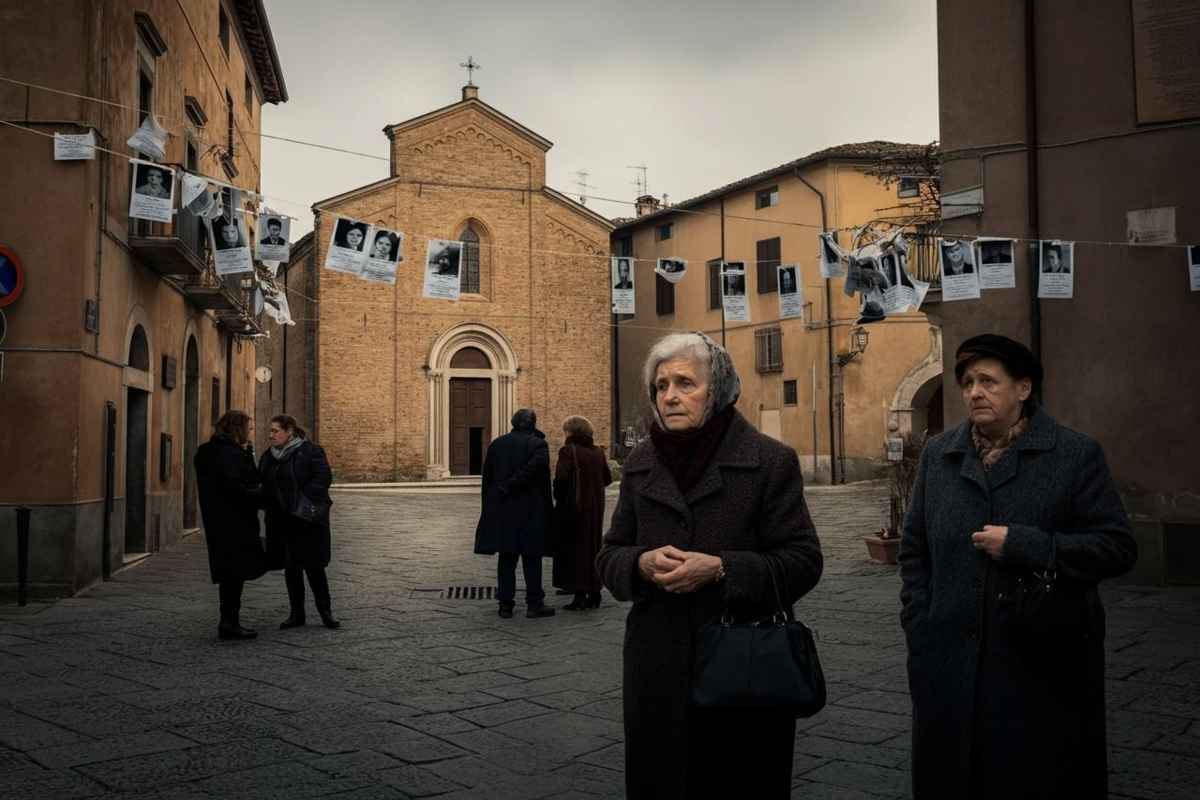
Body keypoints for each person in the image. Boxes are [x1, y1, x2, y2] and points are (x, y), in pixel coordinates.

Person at [900, 334, 1136, 800]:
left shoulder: (1074, 455)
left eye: (988, 381)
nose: (974, 392)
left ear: (1023, 389)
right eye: (968, 383)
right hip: (949, 663)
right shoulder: (939, 456)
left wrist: (1028, 545)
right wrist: (920, 624)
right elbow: (914, 550)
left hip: (1044, 667)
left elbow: (1117, 548)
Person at [596, 332, 824, 799]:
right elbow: (609, 554)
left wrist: (722, 569)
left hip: (745, 668)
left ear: (716, 390)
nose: (670, 396)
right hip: (657, 668)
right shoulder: (640, 463)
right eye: (661, 386)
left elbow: (804, 560)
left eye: (685, 383)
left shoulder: (770, 461)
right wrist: (639, 562)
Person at [259, 414, 340, 630]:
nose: (271, 435)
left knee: (314, 567)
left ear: (289, 432)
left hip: (308, 518)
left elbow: (322, 479)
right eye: (270, 431)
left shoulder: (311, 451)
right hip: (282, 521)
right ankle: (296, 614)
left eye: (275, 431)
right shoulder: (269, 457)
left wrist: (301, 504)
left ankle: (325, 612)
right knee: (291, 567)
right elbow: (264, 483)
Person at [474, 408, 556, 619]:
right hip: (531, 511)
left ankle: (505, 605)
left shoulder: (497, 444)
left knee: (507, 558)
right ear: (533, 424)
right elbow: (537, 473)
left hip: (504, 510)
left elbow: (487, 479)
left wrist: (490, 506)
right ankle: (534, 604)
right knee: (532, 558)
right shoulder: (538, 445)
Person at [193, 410, 266, 641]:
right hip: (236, 521)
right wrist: (259, 495)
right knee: (235, 574)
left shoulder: (205, 452)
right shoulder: (232, 454)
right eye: (248, 428)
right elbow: (241, 486)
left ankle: (229, 621)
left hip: (216, 521)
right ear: (238, 429)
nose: (249, 433)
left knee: (229, 573)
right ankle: (229, 623)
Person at [551, 415, 612, 610]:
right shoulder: (598, 452)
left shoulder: (569, 451)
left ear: (571, 432)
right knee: (592, 548)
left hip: (574, 508)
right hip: (595, 508)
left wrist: (560, 498)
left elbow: (561, 479)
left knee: (575, 549)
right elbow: (607, 479)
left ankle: (579, 596)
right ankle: (594, 593)